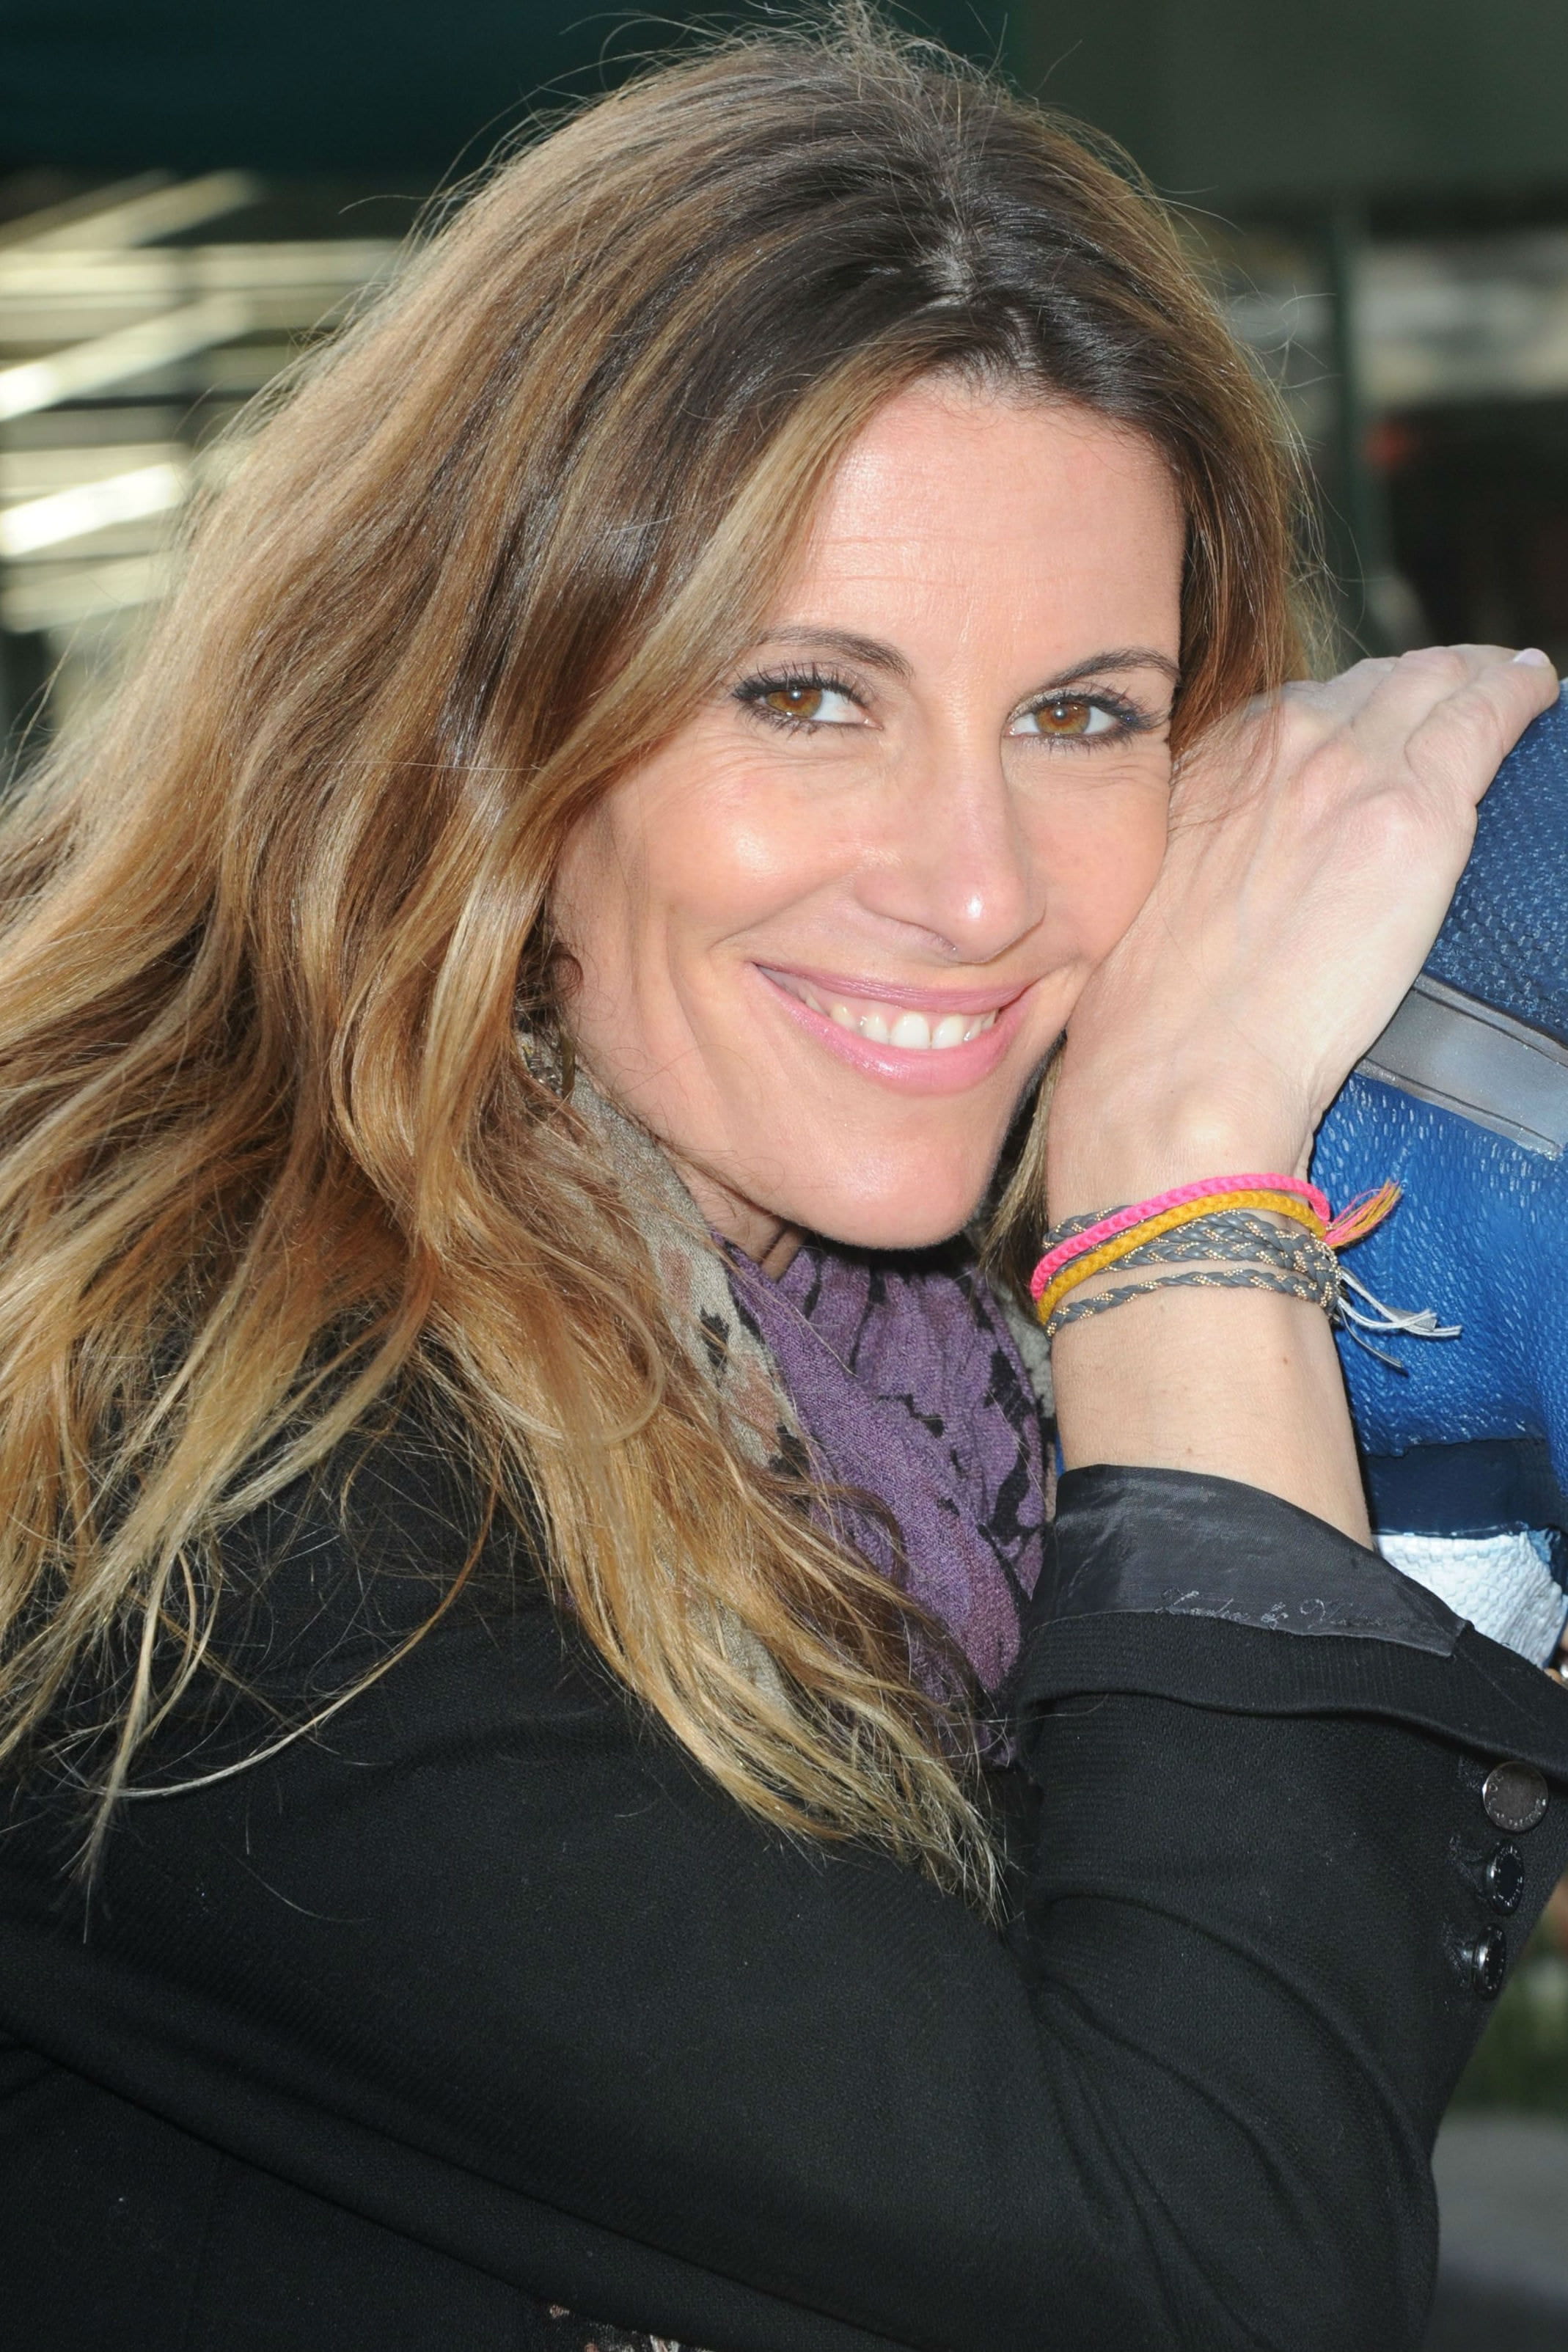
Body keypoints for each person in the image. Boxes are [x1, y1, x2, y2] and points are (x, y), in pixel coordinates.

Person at [1, 18, 1565, 2352]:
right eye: (803, 696)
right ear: (479, 721)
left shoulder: (929, 1368)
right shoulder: (205, 1459)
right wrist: (1180, 1197)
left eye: (1082, 714)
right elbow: (1198, 2271)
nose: (974, 889)